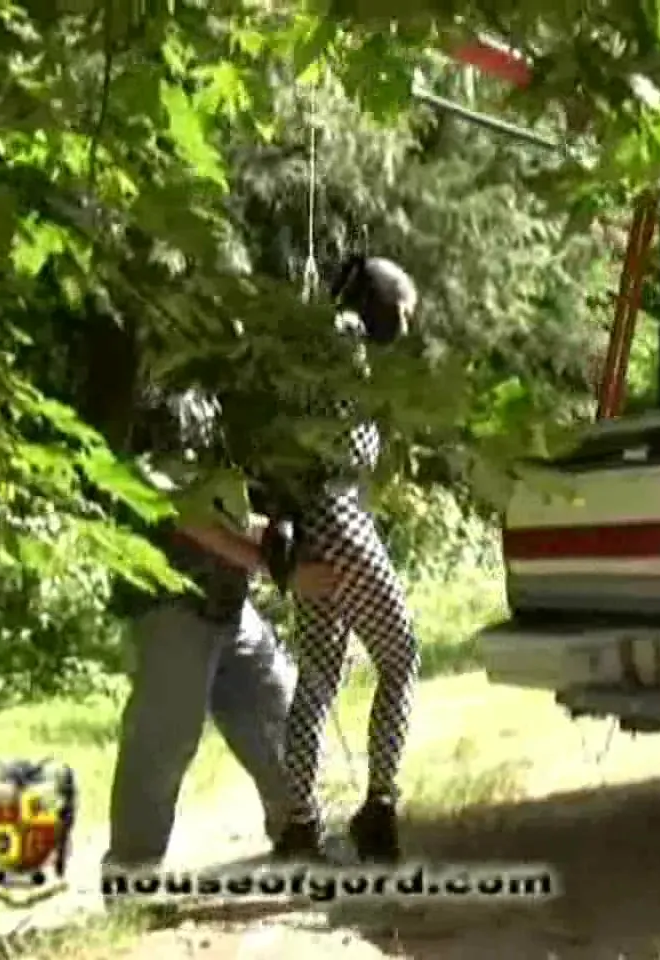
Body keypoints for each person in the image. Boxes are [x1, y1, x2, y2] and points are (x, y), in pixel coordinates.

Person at [102, 391, 340, 873]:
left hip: (230, 606)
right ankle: (132, 874)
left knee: (279, 706)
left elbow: (226, 511)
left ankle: (299, 837)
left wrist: (281, 537)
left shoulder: (226, 410)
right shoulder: (168, 413)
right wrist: (285, 575)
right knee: (164, 741)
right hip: (171, 606)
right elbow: (189, 520)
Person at [263, 256, 422, 864]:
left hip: (310, 522)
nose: (403, 328)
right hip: (338, 515)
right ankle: (378, 808)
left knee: (320, 676)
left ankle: (301, 823)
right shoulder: (343, 337)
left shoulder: (314, 347)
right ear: (379, 305)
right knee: (401, 656)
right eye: (401, 312)